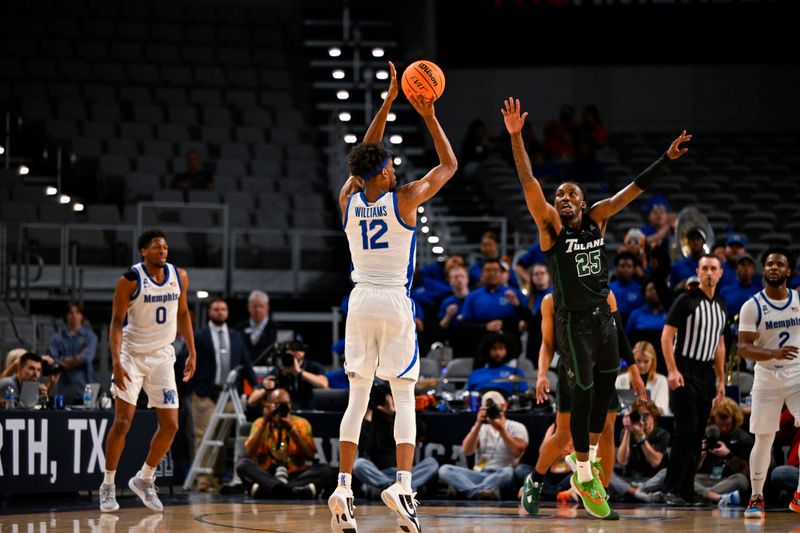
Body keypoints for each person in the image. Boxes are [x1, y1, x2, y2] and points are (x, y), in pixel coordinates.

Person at [502, 96, 689, 519]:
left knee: (605, 403)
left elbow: (634, 189)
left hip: (603, 322)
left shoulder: (600, 219)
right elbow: (529, 181)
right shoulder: (550, 227)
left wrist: (666, 157)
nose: (563, 198)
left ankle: (591, 482)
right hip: (573, 327)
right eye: (559, 195)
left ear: (584, 204)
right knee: (576, 411)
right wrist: (516, 138)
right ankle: (578, 473)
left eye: (572, 194)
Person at [328, 61, 457, 533]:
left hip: (358, 301)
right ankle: (402, 486)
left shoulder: (347, 198)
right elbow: (449, 166)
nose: (395, 167)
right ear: (381, 172)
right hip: (393, 301)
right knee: (404, 394)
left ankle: (343, 487)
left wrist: (385, 103)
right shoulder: (404, 200)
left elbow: (363, 154)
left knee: (357, 396)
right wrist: (426, 113)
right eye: (390, 164)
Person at [520, 291, 645, 515]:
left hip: (601, 367)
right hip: (572, 367)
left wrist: (634, 369)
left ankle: (601, 493)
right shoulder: (551, 301)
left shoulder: (605, 294)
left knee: (607, 429)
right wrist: (541, 373)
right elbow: (547, 344)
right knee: (563, 434)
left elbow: (619, 333)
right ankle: (535, 480)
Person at [99, 229, 196, 513]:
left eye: (165, 247)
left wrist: (192, 350)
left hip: (163, 356)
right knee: (122, 422)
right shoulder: (128, 280)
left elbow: (183, 313)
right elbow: (116, 323)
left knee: (171, 425)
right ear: (143, 251)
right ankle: (107, 485)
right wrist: (116, 362)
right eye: (156, 247)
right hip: (131, 355)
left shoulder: (180, 276)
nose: (163, 251)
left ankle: (145, 478)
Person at [737, 247, 800, 518]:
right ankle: (756, 497)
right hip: (766, 374)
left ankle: (799, 494)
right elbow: (743, 347)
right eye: (770, 264)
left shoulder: (798, 300)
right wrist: (772, 352)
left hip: (797, 372)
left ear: (790, 271)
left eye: (780, 264)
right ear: (764, 270)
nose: (774, 267)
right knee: (764, 439)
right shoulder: (752, 305)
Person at [660, 254, 727, 506]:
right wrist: (672, 369)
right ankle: (670, 488)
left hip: (706, 373)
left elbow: (720, 345)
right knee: (685, 431)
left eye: (714, 268)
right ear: (698, 272)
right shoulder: (685, 301)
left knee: (697, 433)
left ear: (720, 273)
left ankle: (686, 489)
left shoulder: (721, 305)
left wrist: (721, 380)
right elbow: (667, 336)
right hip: (684, 370)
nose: (709, 272)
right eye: (705, 268)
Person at [190, 297, 257, 492]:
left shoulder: (236, 336)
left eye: (223, 309)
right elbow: (189, 362)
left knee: (221, 439)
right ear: (210, 312)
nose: (220, 312)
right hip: (205, 394)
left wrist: (256, 385)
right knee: (202, 437)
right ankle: (203, 480)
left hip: (229, 395)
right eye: (216, 309)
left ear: (227, 313)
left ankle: (215, 478)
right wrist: (192, 389)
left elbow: (245, 363)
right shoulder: (200, 336)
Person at [236, 388, 336, 499]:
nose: (281, 408)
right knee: (242, 465)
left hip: (294, 474)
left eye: (285, 404)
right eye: (277, 404)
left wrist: (291, 429)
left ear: (290, 405)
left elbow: (309, 456)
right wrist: (265, 423)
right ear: (268, 405)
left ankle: (274, 490)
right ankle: (293, 491)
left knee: (327, 470)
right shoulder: (259, 423)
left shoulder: (301, 423)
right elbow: (249, 453)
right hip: (267, 474)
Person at [438, 390, 528, 500]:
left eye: (493, 407)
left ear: (504, 406)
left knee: (508, 472)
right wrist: (478, 423)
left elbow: (517, 451)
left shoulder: (516, 426)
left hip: (501, 474)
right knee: (445, 469)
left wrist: (501, 430)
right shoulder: (481, 428)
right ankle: (479, 492)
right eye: (487, 408)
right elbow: (467, 451)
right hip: (479, 473)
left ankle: (465, 489)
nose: (490, 410)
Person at [352, 383, 439, 496]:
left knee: (432, 463)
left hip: (406, 472)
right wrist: (369, 410)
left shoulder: (402, 415)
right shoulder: (373, 421)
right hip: (380, 473)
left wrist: (395, 412)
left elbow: (420, 429)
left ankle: (392, 489)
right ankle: (395, 488)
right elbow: (364, 446)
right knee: (359, 465)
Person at [694, 397, 752, 507]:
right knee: (686, 479)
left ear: (734, 420)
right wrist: (699, 456)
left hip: (728, 481)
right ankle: (715, 497)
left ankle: (700, 494)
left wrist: (729, 455)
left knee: (741, 480)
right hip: (708, 479)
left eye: (727, 425)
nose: (724, 428)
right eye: (720, 425)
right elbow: (694, 470)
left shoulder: (744, 439)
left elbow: (746, 473)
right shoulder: (707, 434)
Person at [610, 398, 669, 502]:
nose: (642, 419)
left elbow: (655, 462)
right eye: (639, 416)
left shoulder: (662, 434)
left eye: (646, 415)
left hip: (650, 480)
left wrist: (640, 437)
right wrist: (628, 431)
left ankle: (637, 492)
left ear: (654, 415)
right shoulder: (627, 432)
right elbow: (622, 461)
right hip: (629, 480)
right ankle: (639, 494)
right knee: (605, 473)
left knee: (668, 472)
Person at [249, 339, 329, 410]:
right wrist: (266, 388)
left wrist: (300, 372)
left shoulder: (312, 367)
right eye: (291, 350)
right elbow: (251, 401)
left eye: (297, 350)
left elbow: (324, 384)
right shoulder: (279, 370)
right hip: (285, 414)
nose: (294, 353)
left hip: (309, 411)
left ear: (303, 352)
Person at [47, 301, 98, 405]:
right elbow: (54, 361)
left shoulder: (90, 336)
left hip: (87, 386)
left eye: (77, 312)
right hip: (62, 388)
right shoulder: (56, 338)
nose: (74, 315)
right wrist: (77, 358)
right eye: (70, 312)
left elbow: (87, 358)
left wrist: (65, 360)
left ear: (82, 316)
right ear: (66, 316)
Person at [616, 341, 670, 415]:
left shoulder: (661, 381)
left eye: (646, 361)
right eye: (638, 360)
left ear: (652, 361)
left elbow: (662, 409)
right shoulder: (620, 380)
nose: (641, 365)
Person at [235, 290, 277, 363]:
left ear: (267, 307)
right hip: (245, 369)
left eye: (261, 306)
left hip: (269, 369)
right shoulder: (239, 327)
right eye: (254, 306)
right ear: (248, 307)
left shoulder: (275, 328)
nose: (258, 310)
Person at [720, 253, 761, 320]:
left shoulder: (759, 294)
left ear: (754, 271)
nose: (746, 268)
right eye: (743, 265)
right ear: (736, 269)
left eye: (750, 265)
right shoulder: (725, 292)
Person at [609, 252, 643, 325]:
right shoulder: (609, 288)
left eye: (629, 266)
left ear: (634, 269)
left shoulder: (639, 289)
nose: (625, 269)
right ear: (616, 268)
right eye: (622, 266)